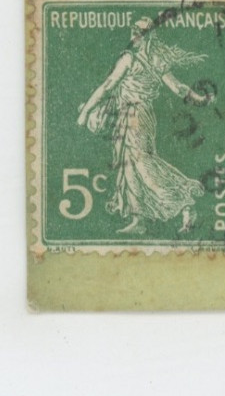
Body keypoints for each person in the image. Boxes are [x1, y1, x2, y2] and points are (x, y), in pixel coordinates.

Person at [75, 17, 212, 234]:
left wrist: (84, 113)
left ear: (147, 35)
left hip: (134, 116)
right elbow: (178, 88)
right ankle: (138, 220)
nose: (133, 35)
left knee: (141, 164)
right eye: (132, 30)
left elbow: (108, 86)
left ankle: (185, 202)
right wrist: (199, 98)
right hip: (141, 115)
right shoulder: (157, 59)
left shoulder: (129, 59)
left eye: (137, 31)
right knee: (129, 165)